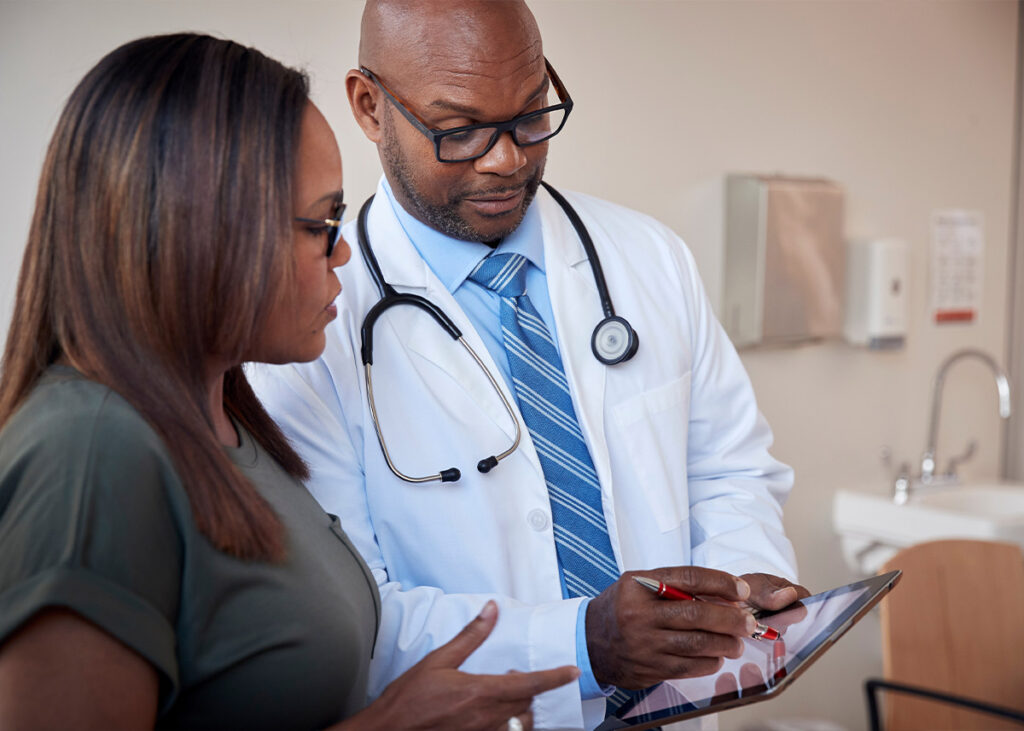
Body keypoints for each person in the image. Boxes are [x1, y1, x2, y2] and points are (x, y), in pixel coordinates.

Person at [251, 1, 810, 729]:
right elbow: (352, 608)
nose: (506, 158)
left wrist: (741, 575)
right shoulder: (307, 324)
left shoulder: (649, 258)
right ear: (369, 106)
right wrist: (582, 642)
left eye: (530, 114)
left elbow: (730, 468)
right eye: (460, 130)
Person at [0, 32, 580, 730]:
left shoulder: (223, 423)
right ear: (206, 229)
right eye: (323, 222)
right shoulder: (88, 455)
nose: (341, 249)